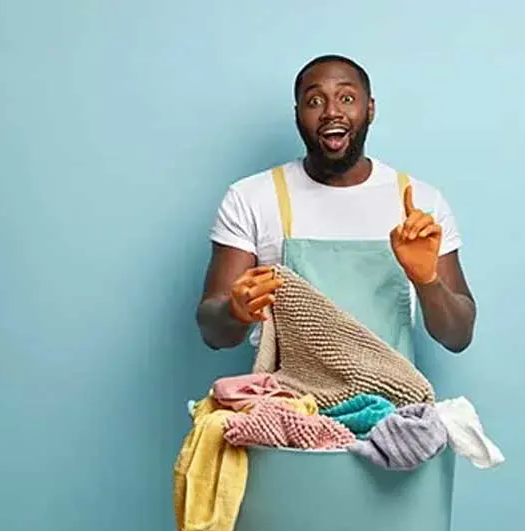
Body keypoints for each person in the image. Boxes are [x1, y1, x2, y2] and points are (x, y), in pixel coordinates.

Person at [195, 54, 476, 360]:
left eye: (346, 98)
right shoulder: (251, 198)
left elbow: (458, 336)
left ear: (370, 109)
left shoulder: (420, 203)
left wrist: (427, 280)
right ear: (297, 114)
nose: (331, 112)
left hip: (392, 403)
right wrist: (236, 310)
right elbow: (213, 333)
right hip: (290, 404)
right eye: (314, 101)